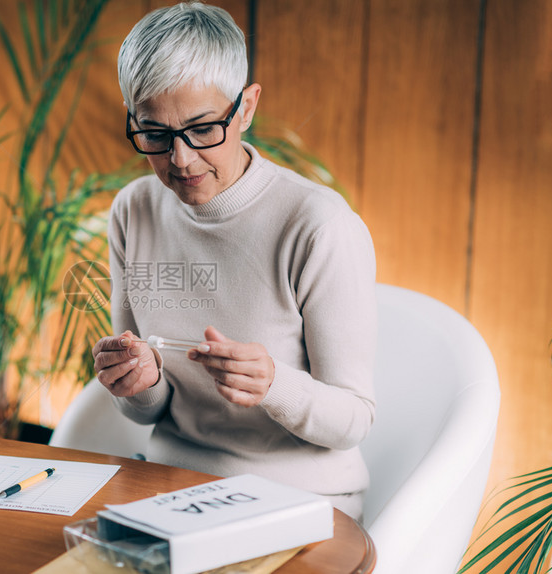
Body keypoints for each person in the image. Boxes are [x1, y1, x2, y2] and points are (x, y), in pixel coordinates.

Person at [91, 1, 377, 520]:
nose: (180, 159)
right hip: (171, 490)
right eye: (154, 134)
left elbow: (354, 420)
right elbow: (147, 409)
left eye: (203, 129)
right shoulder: (134, 210)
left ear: (245, 108)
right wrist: (139, 383)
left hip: (301, 503)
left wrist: (274, 385)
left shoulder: (319, 226)